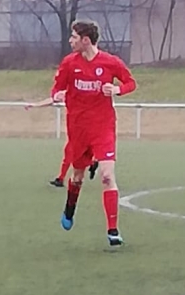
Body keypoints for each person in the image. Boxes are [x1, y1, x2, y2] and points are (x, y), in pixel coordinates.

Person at [49, 22, 136, 246]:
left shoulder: (110, 62)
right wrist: (57, 94)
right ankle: (70, 208)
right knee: (77, 176)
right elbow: (57, 87)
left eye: (74, 37)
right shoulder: (69, 63)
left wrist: (117, 89)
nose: (71, 41)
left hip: (103, 128)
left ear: (86, 40)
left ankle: (113, 230)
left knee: (107, 176)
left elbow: (130, 83)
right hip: (78, 129)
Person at [24, 95, 99, 186]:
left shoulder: (89, 96)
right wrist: (35, 105)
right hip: (76, 133)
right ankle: (62, 178)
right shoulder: (72, 93)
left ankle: (89, 165)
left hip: (86, 131)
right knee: (69, 154)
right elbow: (53, 99)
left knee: (77, 156)